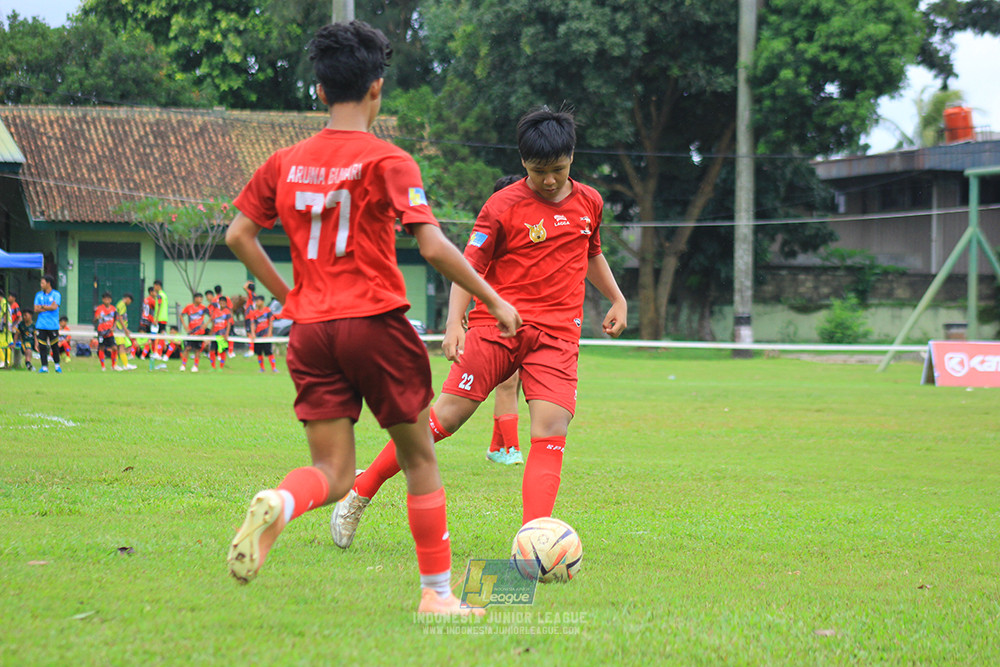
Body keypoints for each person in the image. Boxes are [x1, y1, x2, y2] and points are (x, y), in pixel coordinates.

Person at [224, 20, 519, 616]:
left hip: (310, 332)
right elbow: (434, 247)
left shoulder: (283, 162)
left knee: (329, 470)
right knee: (417, 458)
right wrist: (492, 299)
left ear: (319, 90)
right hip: (375, 324)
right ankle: (437, 596)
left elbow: (240, 234)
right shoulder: (388, 160)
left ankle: (282, 503)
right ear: (377, 88)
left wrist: (290, 296)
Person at [333, 106, 628, 548]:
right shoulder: (502, 206)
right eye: (538, 171)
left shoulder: (590, 202)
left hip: (558, 336)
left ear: (572, 158)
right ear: (522, 163)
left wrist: (618, 297)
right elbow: (468, 266)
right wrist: (455, 322)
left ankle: (534, 543)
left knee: (551, 430)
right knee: (445, 419)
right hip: (497, 328)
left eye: (558, 170)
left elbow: (591, 254)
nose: (549, 180)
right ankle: (361, 491)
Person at [484, 174, 524, 465]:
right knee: (507, 384)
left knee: (515, 384)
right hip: (496, 321)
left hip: (525, 319)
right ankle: (512, 449)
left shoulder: (525, 236)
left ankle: (497, 447)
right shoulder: (492, 236)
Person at [34, 274, 63, 373]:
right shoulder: (39, 295)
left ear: (48, 283)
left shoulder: (56, 294)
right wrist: (47, 307)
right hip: (41, 325)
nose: (41, 285)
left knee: (54, 346)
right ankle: (44, 366)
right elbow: (35, 309)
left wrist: (42, 307)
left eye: (43, 283)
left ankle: (57, 365)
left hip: (53, 325)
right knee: (42, 346)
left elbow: (54, 307)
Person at [180, 292, 210, 373]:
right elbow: (181, 315)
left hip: (199, 332)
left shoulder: (203, 308)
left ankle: (195, 366)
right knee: (187, 348)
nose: (201, 300)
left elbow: (212, 316)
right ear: (195, 299)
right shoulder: (189, 307)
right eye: (199, 298)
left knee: (197, 350)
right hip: (191, 332)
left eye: (202, 298)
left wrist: (206, 324)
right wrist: (185, 327)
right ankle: (183, 365)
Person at [247, 293, 277, 373]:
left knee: (269, 352)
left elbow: (271, 322)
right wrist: (253, 333)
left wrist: (269, 333)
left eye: (259, 301)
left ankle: (274, 368)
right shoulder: (254, 312)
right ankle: (262, 368)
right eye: (256, 301)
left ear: (263, 302)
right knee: (259, 352)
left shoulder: (267, 310)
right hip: (258, 336)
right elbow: (252, 323)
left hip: (266, 335)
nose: (257, 303)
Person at [94, 291, 118, 371]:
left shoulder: (113, 309)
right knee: (101, 348)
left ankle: (113, 365)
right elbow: (94, 319)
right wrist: (97, 318)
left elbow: (115, 320)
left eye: (108, 299)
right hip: (101, 331)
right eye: (105, 299)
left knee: (114, 347)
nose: (107, 301)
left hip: (110, 332)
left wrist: (114, 327)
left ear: (110, 300)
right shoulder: (99, 308)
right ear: (103, 300)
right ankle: (103, 366)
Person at [114, 293, 137, 371]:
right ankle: (125, 364)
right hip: (119, 329)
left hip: (119, 328)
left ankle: (115, 365)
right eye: (130, 301)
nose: (129, 303)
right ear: (128, 299)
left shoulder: (119, 304)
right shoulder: (122, 305)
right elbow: (120, 318)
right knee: (121, 346)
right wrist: (125, 329)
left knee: (118, 347)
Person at [208, 297, 232, 369]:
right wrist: (210, 334)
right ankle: (213, 367)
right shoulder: (215, 311)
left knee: (222, 351)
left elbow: (229, 324)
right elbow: (213, 323)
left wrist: (227, 333)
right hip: (215, 334)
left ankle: (221, 367)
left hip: (222, 334)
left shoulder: (227, 312)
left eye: (223, 302)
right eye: (221, 302)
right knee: (212, 350)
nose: (222, 304)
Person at [138, 286, 156, 360]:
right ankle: (152, 353)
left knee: (146, 338)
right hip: (148, 321)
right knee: (150, 339)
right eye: (154, 292)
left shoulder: (145, 300)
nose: (156, 293)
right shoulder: (152, 300)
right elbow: (155, 309)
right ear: (151, 292)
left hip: (143, 320)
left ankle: (145, 354)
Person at [152, 280, 169, 358]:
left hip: (160, 318)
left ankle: (158, 353)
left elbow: (159, 306)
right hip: (164, 317)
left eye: (154, 286)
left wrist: (156, 319)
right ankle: (159, 352)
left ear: (158, 286)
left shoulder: (159, 296)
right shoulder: (164, 295)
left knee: (159, 336)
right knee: (161, 335)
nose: (154, 288)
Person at [0, 288, 10, 369]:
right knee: (4, 344)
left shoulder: (4, 303)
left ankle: (6, 361)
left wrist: (3, 325)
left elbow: (5, 314)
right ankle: (5, 361)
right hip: (3, 327)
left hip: (5, 328)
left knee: (6, 344)